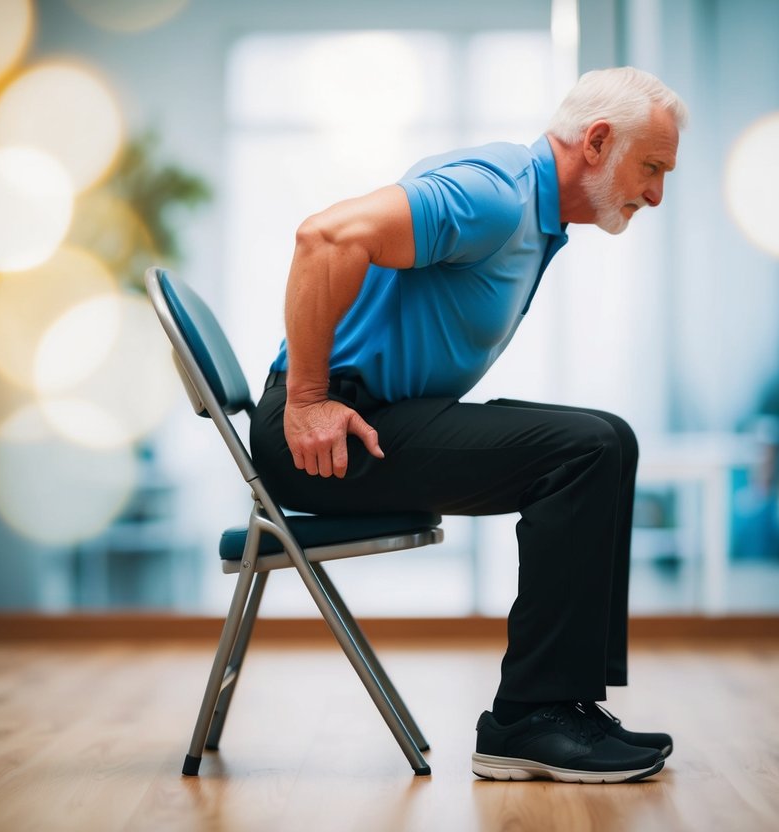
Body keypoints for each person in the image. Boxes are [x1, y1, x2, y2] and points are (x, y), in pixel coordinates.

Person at [250, 67, 687, 784]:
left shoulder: (533, 213)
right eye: (651, 168)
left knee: (609, 437)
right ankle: (529, 719)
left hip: (372, 422)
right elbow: (323, 238)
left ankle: (567, 705)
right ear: (598, 141)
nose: (654, 194)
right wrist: (305, 400)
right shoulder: (494, 192)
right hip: (322, 437)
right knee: (581, 451)